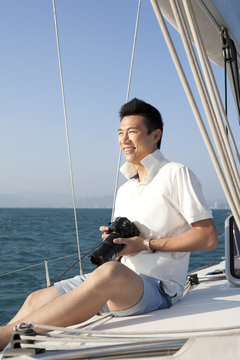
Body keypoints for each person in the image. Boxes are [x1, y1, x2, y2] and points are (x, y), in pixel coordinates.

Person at [0, 98, 218, 350]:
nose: (124, 139)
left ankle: (8, 336)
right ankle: (8, 341)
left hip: (158, 287)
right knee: (37, 297)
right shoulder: (125, 190)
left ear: (155, 135)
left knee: (109, 273)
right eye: (120, 133)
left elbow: (208, 237)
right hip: (119, 282)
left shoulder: (176, 173)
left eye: (132, 132)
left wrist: (144, 244)